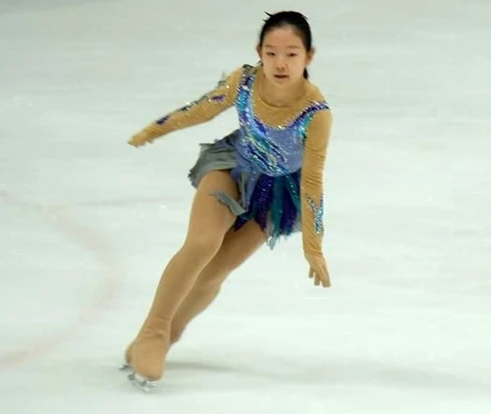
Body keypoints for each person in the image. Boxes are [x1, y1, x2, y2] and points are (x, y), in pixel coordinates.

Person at [121, 11, 333, 391]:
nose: (280, 63)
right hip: (232, 166)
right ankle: (152, 331)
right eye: (271, 53)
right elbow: (201, 109)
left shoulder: (316, 113)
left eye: (291, 54)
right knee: (202, 243)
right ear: (259, 52)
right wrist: (156, 128)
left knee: (215, 271)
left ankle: (168, 335)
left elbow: (313, 180)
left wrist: (313, 246)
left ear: (309, 57)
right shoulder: (245, 81)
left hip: (277, 194)